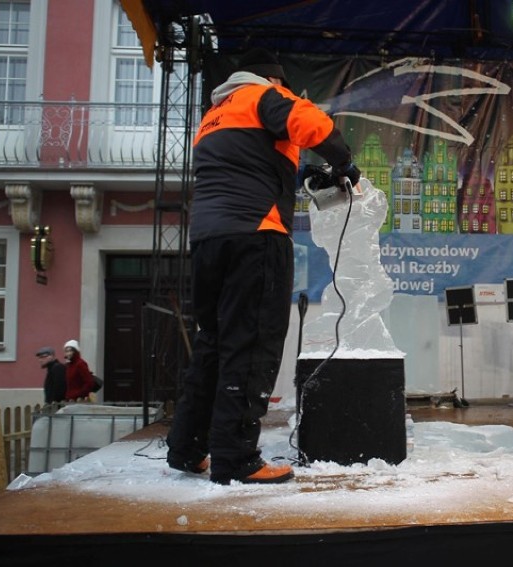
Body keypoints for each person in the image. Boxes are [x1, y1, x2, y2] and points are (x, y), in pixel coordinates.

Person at [166, 47, 361, 485]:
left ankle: (187, 448)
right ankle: (235, 458)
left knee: (213, 343)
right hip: (256, 235)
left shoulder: (214, 115)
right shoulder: (264, 97)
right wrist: (344, 161)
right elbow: (314, 124)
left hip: (208, 240)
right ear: (274, 81)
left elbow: (250, 163)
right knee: (251, 344)